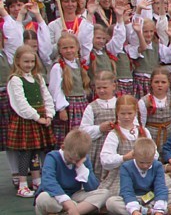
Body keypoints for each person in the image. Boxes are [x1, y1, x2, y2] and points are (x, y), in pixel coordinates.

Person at [7, 45, 56, 197]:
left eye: (32, 62)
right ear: (18, 61)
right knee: (25, 152)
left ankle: (37, 180)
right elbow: (20, 103)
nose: (29, 65)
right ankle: (22, 184)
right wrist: (37, 117)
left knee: (36, 150)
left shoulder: (38, 78)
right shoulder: (15, 80)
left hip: (40, 117)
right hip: (26, 119)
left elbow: (46, 96)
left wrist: (49, 115)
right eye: (26, 61)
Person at [34, 129, 110, 215]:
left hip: (74, 196)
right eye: (70, 158)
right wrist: (66, 202)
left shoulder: (84, 160)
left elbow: (92, 188)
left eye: (77, 160)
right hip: (54, 196)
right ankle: (75, 209)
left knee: (104, 193)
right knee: (43, 198)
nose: (74, 162)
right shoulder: (52, 157)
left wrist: (81, 167)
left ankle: (67, 212)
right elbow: (48, 181)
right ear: (63, 148)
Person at [106, 137, 171, 215]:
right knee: (111, 202)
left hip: (151, 196)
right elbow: (127, 191)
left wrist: (159, 210)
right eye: (141, 162)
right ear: (134, 156)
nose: (145, 166)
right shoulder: (126, 167)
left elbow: (160, 188)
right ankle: (152, 211)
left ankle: (149, 210)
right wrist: (134, 210)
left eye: (149, 162)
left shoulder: (157, 165)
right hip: (134, 197)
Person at [80, 70, 118, 178]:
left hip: (117, 146)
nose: (101, 91)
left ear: (113, 86)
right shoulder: (92, 107)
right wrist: (100, 128)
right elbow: (83, 130)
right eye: (98, 88)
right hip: (98, 147)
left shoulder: (120, 104)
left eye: (105, 87)